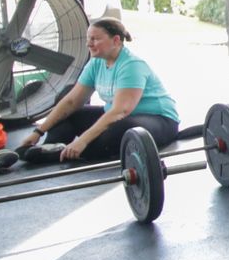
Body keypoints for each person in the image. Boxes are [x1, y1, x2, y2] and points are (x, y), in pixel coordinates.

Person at [20, 17, 180, 164]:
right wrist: (38, 132)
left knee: (124, 127)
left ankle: (65, 153)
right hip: (117, 117)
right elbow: (71, 102)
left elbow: (120, 111)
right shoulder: (96, 63)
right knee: (68, 113)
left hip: (159, 120)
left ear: (116, 40)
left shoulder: (131, 66)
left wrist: (82, 140)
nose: (89, 44)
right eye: (88, 39)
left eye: (95, 39)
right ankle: (49, 147)